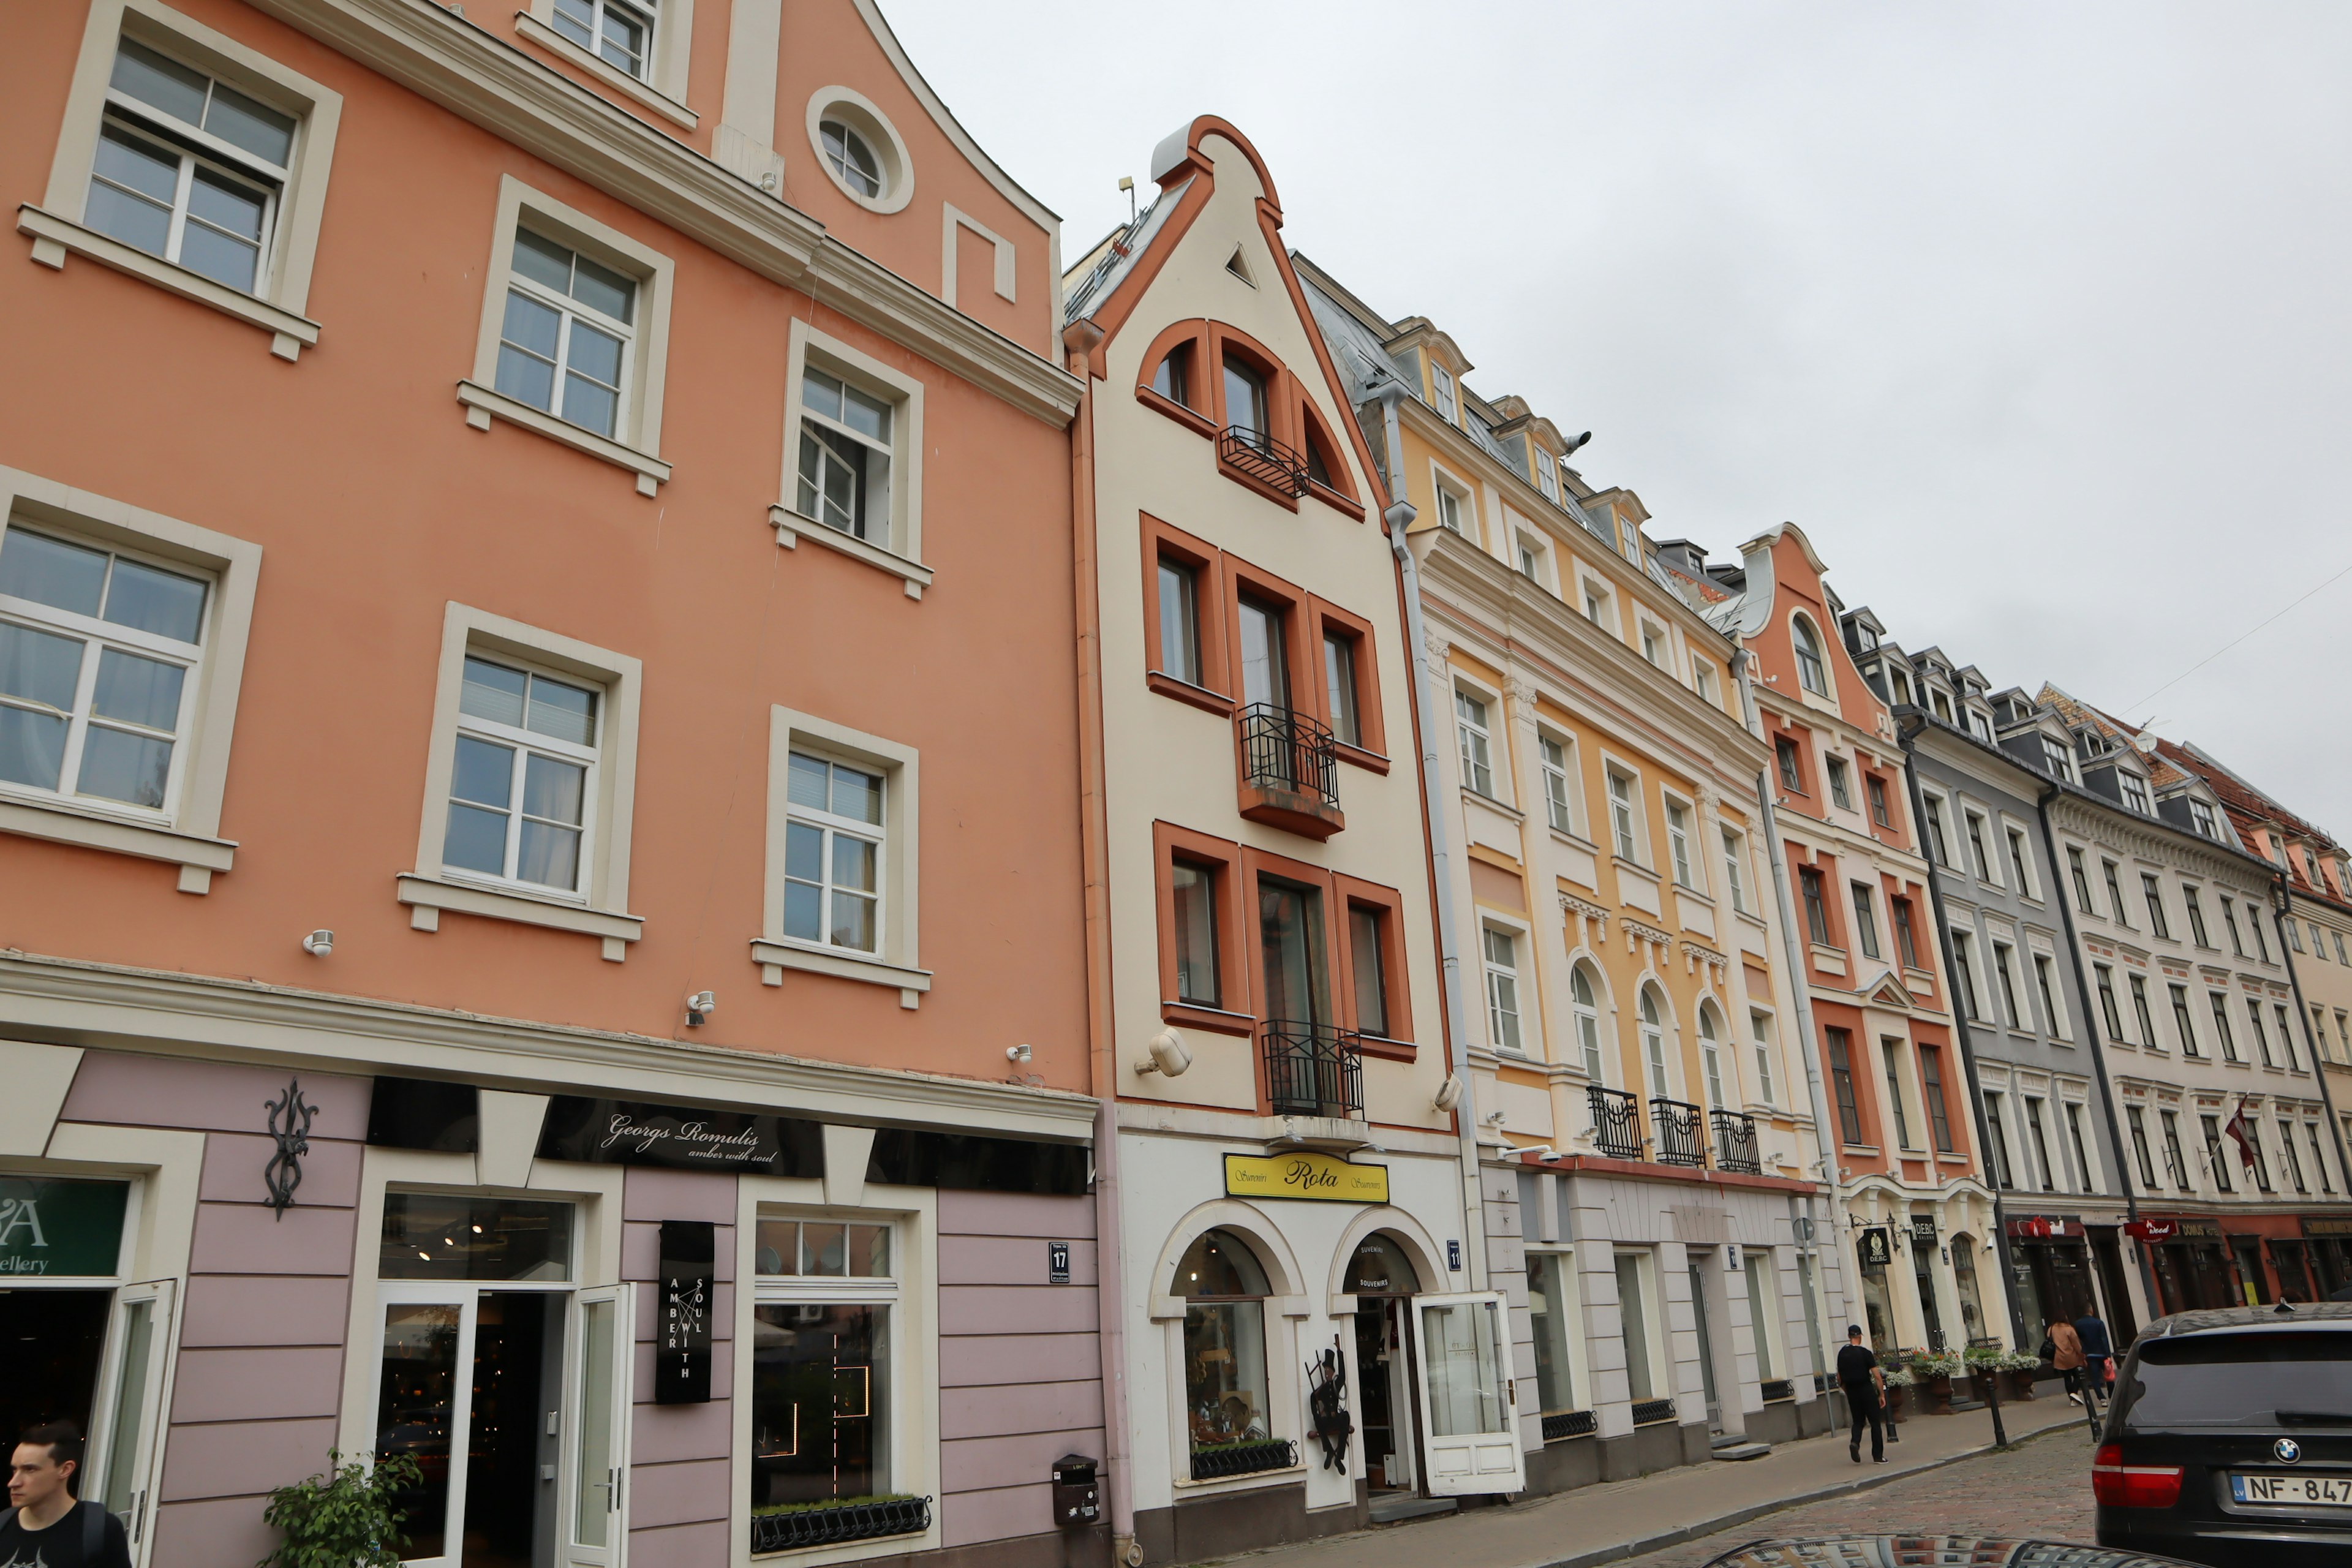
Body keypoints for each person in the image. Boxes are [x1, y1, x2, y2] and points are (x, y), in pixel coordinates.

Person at [2, 1422, 132, 1568]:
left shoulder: (98, 1530)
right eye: (15, 1470)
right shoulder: (4, 1525)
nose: (13, 1482)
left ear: (65, 1469)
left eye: (30, 1469)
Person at [1837, 1324, 1891, 1464]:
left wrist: (1847, 1390)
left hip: (1852, 1391)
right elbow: (1877, 1376)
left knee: (1858, 1421)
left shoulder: (1842, 1353)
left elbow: (1839, 1377)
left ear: (1849, 1336)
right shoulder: (1866, 1354)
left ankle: (1855, 1442)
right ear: (1860, 1336)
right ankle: (1878, 1456)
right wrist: (1881, 1394)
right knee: (1875, 1423)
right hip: (1866, 1390)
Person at [2041, 1317, 2086, 1405]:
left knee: (2067, 1378)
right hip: (2072, 1357)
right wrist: (2082, 1356)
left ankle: (2072, 1399)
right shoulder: (2069, 1329)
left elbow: (2049, 1340)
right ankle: (2074, 1394)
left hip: (2059, 1357)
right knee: (2078, 1376)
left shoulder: (2052, 1329)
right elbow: (2076, 1344)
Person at [2074, 1310, 2114, 1406]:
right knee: (2109, 1376)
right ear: (2091, 1310)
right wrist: (2108, 1355)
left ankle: (2102, 1398)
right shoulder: (2099, 1323)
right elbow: (2104, 1339)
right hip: (2102, 1354)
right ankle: (2112, 1396)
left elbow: (2077, 1339)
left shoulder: (2078, 1324)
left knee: (2095, 1378)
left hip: (2090, 1354)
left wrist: (2083, 1351)